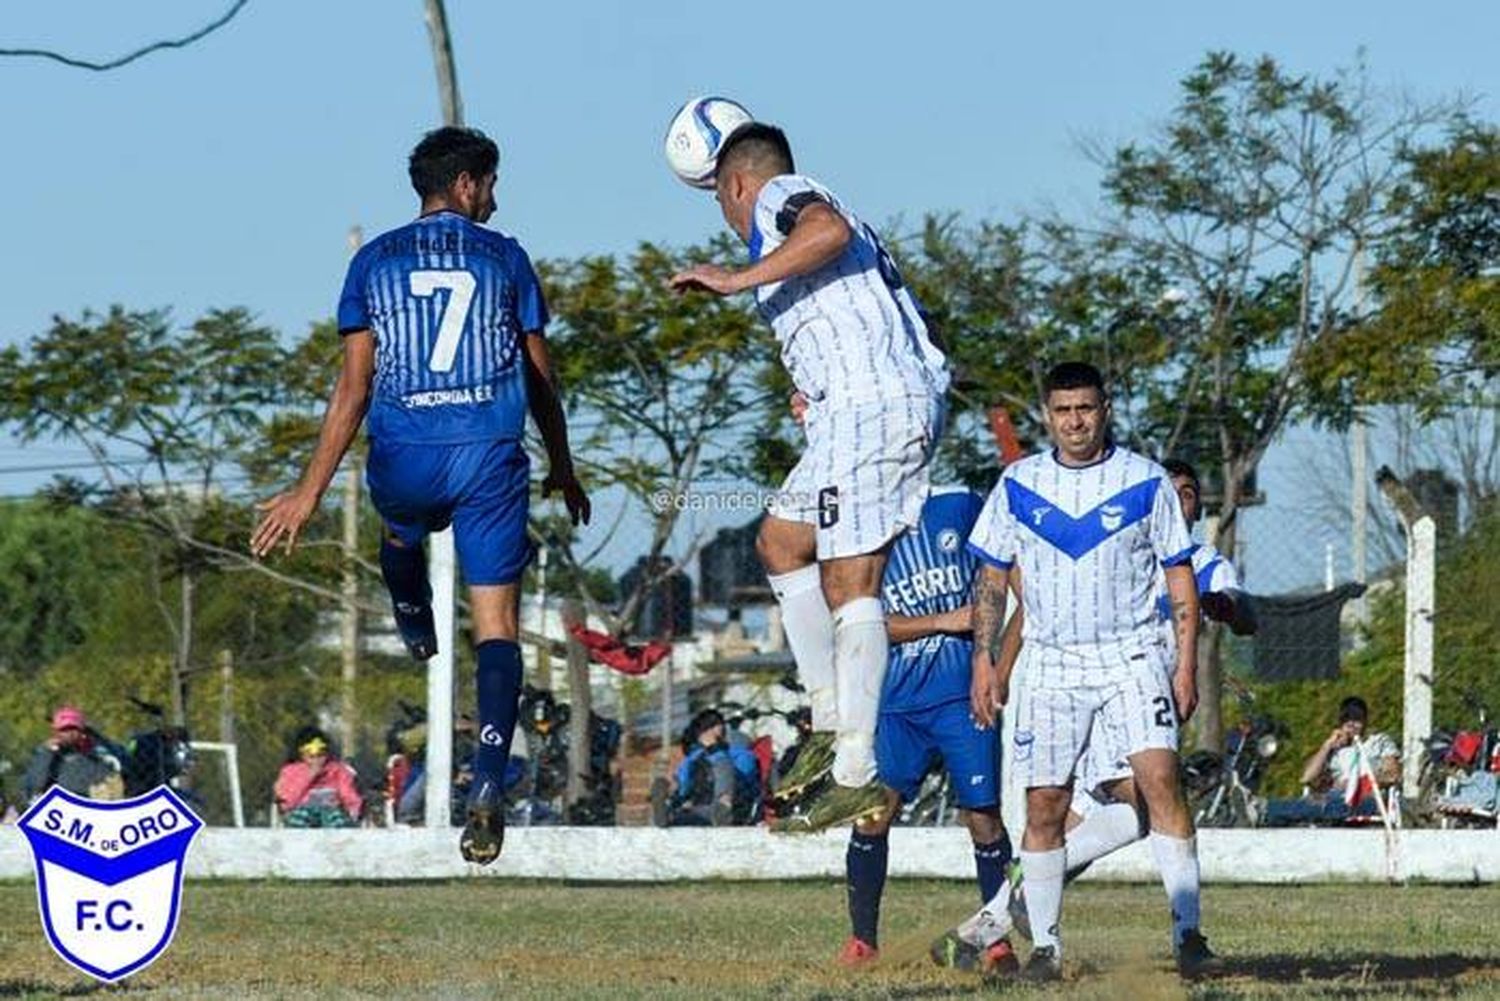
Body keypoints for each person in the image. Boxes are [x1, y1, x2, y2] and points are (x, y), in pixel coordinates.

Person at [250, 126, 589, 865]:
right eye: (491, 184)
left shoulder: (373, 260)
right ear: (466, 184)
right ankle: (490, 782)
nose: (495, 199)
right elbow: (540, 376)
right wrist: (562, 463)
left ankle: (410, 608)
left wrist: (308, 492)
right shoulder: (505, 257)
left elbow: (353, 386)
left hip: (407, 451)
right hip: (489, 455)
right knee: (495, 628)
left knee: (401, 536)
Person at [670, 123, 949, 826]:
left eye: (719, 201)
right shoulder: (789, 216)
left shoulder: (781, 197)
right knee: (782, 543)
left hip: (873, 407)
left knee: (850, 580)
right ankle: (829, 726)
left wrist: (733, 280)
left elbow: (824, 231)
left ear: (735, 185)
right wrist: (815, 389)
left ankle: (855, 764)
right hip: (855, 409)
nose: (729, 220)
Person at [933, 457, 1257, 975]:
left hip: (1141, 698)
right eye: (1169, 491)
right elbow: (1032, 611)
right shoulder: (1115, 552)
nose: (1177, 501)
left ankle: (984, 926)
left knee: (1126, 813)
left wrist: (1225, 607)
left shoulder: (1199, 561)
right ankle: (1001, 924)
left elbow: (1246, 611)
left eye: (1188, 493)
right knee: (1104, 812)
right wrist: (998, 668)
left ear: (1196, 506)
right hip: (1076, 691)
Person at [964, 362, 1215, 981]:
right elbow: (992, 577)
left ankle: (1189, 935)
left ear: (1106, 410)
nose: (1074, 421)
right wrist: (984, 659)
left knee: (1160, 780)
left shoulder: (1146, 480)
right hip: (1050, 662)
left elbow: (1179, 572)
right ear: (1047, 416)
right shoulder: (1019, 484)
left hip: (1130, 655)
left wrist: (1184, 664)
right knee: (1045, 805)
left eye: (1085, 409)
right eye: (1062, 410)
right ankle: (1046, 948)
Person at [815, 489, 1017, 972]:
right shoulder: (855, 533)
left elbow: (999, 579)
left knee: (983, 818)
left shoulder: (960, 506)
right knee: (872, 816)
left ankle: (997, 942)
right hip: (894, 703)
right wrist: (942, 621)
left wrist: (991, 661)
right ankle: (863, 941)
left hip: (961, 697)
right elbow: (855, 624)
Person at [1264, 696, 1400, 825]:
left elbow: (1392, 775)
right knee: (1314, 803)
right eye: (1346, 720)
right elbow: (1307, 778)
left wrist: (1357, 784)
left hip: (1367, 798)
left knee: (1325, 806)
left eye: (1357, 719)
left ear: (1365, 720)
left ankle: (1265, 810)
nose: (1351, 724)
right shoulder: (1335, 751)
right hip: (1334, 797)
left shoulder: (1378, 742)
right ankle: (1263, 811)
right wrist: (1327, 745)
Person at [651, 709, 761, 827]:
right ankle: (666, 808)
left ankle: (723, 806)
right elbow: (684, 784)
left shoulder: (740, 753)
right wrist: (673, 789)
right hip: (703, 811)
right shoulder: (695, 757)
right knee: (680, 784)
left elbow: (744, 778)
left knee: (723, 766)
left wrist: (715, 750)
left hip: (735, 809)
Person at [22, 706, 123, 804]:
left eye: (73, 729)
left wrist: (95, 736)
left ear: (82, 731)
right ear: (55, 732)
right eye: (64, 730)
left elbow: (121, 771)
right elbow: (34, 787)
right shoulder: (45, 757)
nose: (69, 734)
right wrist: (48, 753)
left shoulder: (98, 754)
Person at [275, 728, 364, 828]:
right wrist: (309, 776)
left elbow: (347, 791)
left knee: (336, 818)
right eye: (311, 756)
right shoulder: (291, 771)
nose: (316, 760)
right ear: (302, 755)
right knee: (300, 817)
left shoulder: (337, 770)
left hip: (330, 809)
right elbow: (288, 799)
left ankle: (338, 840)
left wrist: (353, 807)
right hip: (301, 809)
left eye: (320, 755)